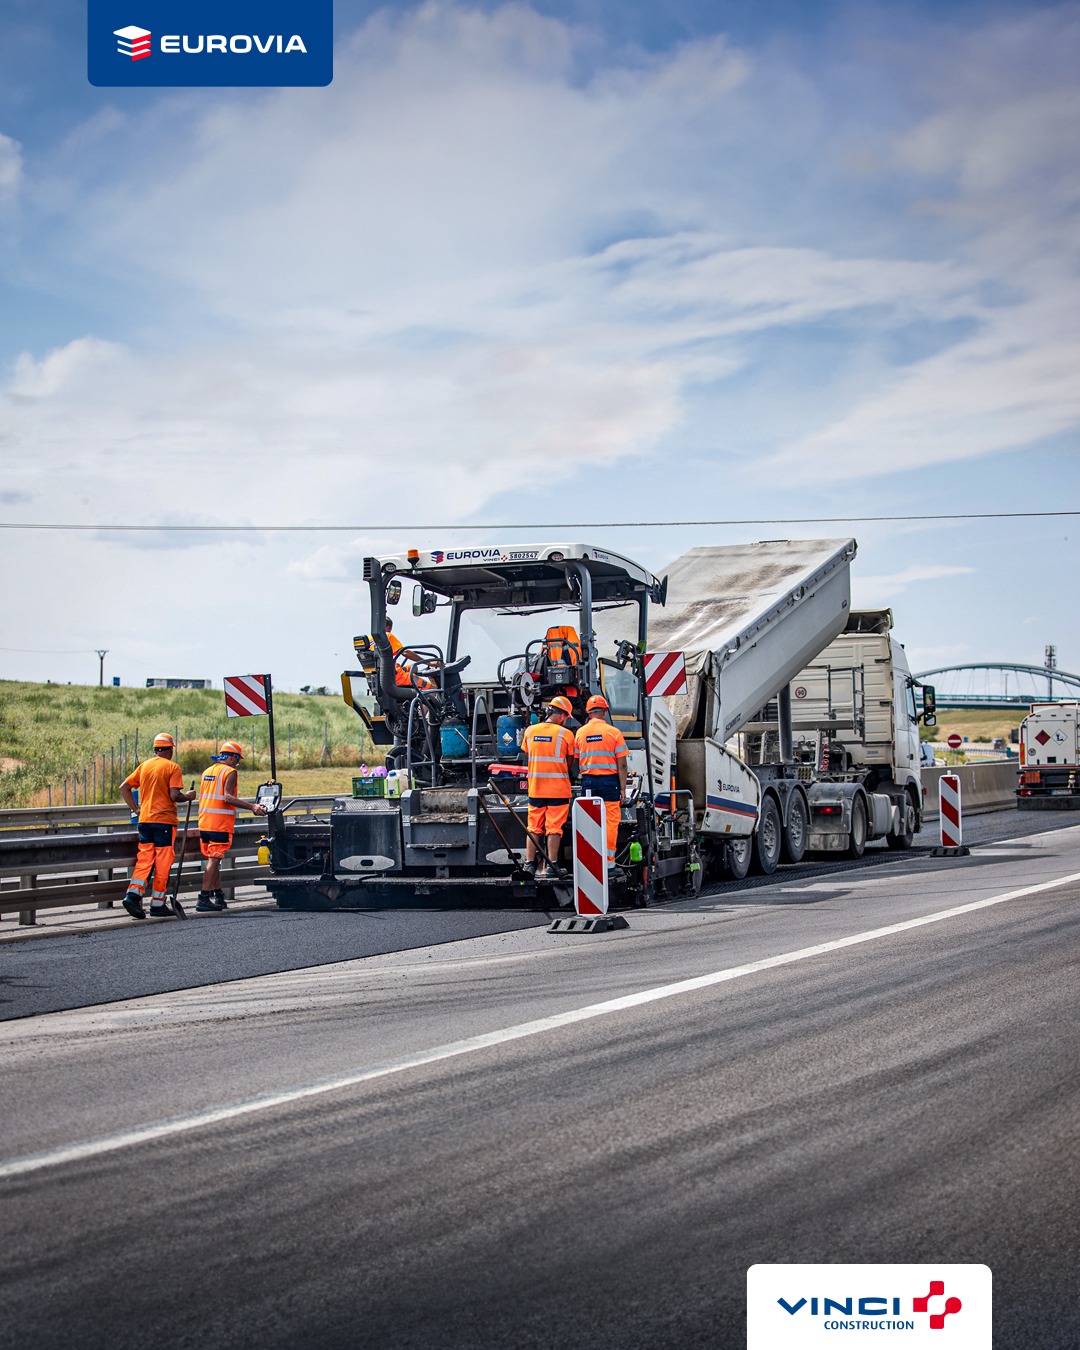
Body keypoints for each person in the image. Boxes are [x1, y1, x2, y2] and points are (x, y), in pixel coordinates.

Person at [119, 733, 196, 920]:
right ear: (170, 750)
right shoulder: (172, 767)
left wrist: (136, 809)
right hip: (164, 822)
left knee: (145, 859)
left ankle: (133, 895)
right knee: (163, 862)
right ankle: (158, 904)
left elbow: (124, 787)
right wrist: (188, 796)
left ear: (156, 750)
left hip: (145, 820)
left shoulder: (144, 766)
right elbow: (174, 795)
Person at [195, 740, 267, 913]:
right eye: (237, 760)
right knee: (214, 860)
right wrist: (252, 807)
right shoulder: (230, 772)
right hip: (219, 824)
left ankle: (218, 895)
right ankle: (203, 897)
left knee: (213, 860)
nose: (237, 763)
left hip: (204, 822)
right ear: (232, 757)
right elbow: (227, 797)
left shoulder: (207, 771)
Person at [520, 694, 577, 879]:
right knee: (554, 828)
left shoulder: (530, 731)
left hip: (536, 788)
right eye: (566, 717)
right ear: (562, 715)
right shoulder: (566, 734)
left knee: (533, 827)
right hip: (558, 789)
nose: (566, 721)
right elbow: (570, 762)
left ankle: (529, 865)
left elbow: (527, 754)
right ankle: (551, 866)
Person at [575, 693, 629, 871]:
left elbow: (576, 759)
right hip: (609, 783)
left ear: (589, 713)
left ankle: (590, 861)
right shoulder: (614, 733)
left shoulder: (580, 733)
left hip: (588, 783)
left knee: (589, 821)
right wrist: (623, 789)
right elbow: (622, 764)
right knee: (610, 822)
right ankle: (608, 862)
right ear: (605, 712)